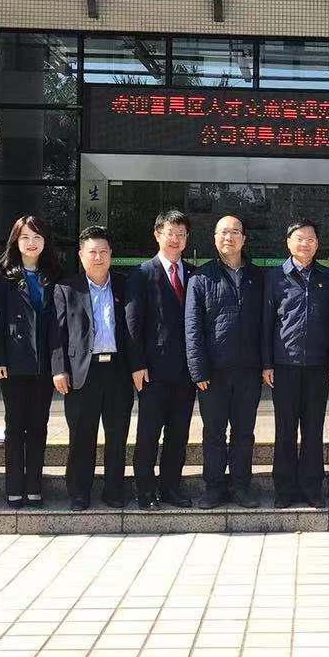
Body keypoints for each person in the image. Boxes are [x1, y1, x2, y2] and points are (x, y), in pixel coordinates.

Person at [185, 215, 265, 510]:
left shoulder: (258, 277)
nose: (228, 237)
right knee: (214, 433)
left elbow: (266, 324)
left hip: (249, 370)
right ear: (215, 238)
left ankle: (242, 486)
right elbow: (192, 326)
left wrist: (266, 364)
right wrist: (198, 370)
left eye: (234, 232)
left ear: (244, 238)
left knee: (244, 433)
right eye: (222, 232)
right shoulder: (201, 278)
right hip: (213, 373)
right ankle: (214, 487)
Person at [53, 226, 135, 511]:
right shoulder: (67, 288)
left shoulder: (125, 285)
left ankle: (114, 491)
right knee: (81, 435)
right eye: (92, 252)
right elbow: (57, 334)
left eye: (103, 251)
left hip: (118, 371)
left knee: (117, 435)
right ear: (81, 255)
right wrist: (59, 369)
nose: (98, 257)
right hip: (81, 373)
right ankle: (79, 492)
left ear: (111, 254)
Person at [262, 220, 329, 509]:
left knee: (313, 429)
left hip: (318, 366)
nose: (305, 244)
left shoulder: (328, 278)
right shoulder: (274, 277)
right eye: (299, 238)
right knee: (285, 430)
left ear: (317, 244)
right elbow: (266, 322)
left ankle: (311, 488)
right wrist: (267, 363)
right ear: (288, 242)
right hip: (284, 365)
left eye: (310, 239)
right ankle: (284, 489)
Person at [125, 210, 197, 510]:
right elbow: (132, 323)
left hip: (186, 372)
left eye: (181, 234)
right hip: (152, 371)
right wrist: (137, 364)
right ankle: (145, 490)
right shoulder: (141, 274)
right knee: (149, 433)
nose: (176, 239)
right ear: (157, 235)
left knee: (178, 434)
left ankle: (171, 488)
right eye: (170, 233)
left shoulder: (194, 274)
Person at [0, 215, 61, 509]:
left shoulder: (54, 274)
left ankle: (34, 485)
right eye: (25, 238)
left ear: (45, 242)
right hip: (14, 362)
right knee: (15, 425)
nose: (31, 243)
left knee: (39, 425)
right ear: (15, 241)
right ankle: (14, 487)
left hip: (44, 363)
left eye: (37, 237)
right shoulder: (3, 275)